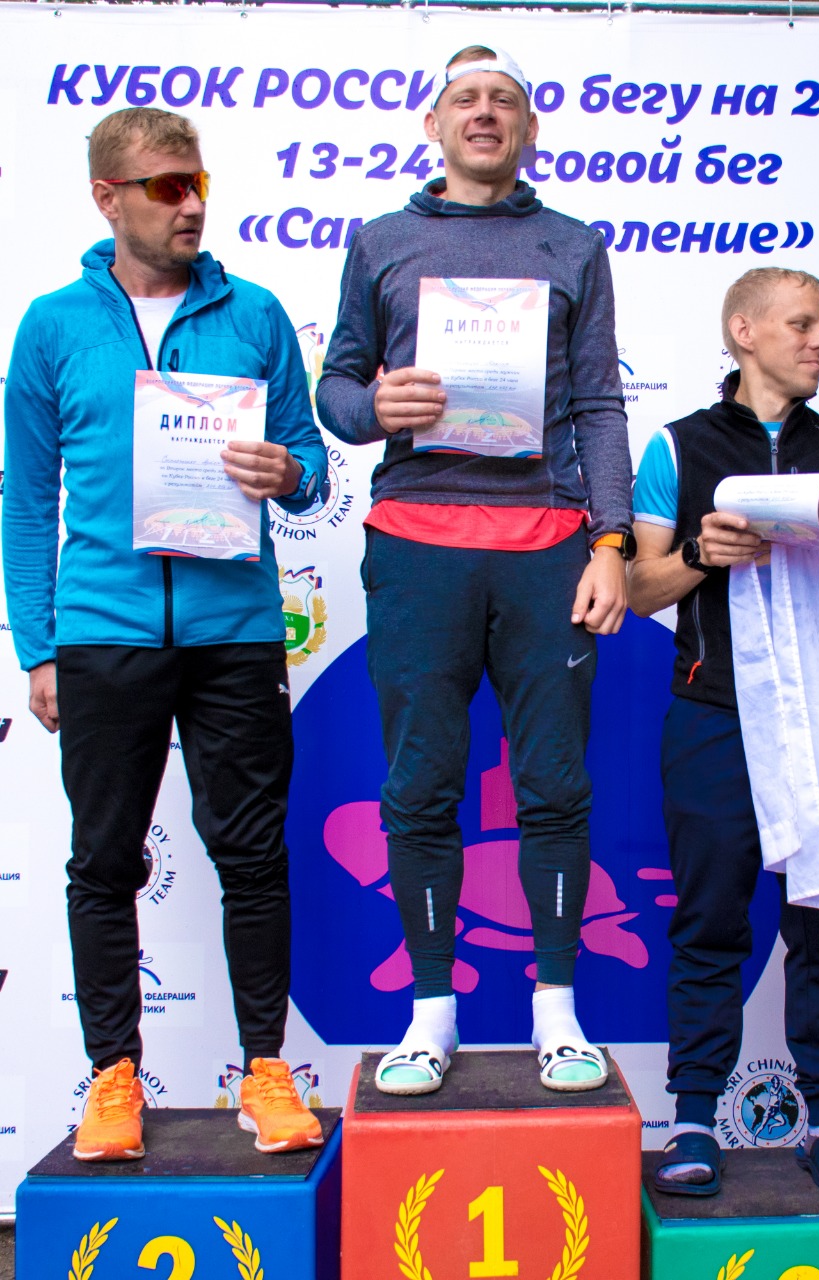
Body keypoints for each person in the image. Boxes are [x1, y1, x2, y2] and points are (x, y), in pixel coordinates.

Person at [2, 107, 328, 1160]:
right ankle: (113, 1078)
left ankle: (266, 1070)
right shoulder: (53, 325)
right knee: (104, 861)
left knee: (253, 855)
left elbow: (312, 466)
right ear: (109, 199)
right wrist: (39, 645)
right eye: (167, 187)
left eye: (199, 184)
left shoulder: (255, 313)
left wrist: (290, 471)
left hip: (235, 632)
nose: (191, 205)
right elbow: (25, 499)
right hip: (105, 633)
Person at [316, 44, 634, 1094]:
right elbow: (336, 391)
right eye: (465, 98)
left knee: (555, 786)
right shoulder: (382, 241)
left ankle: (559, 1015)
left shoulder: (573, 244)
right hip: (418, 546)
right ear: (435, 124)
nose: (484, 112)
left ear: (529, 129)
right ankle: (429, 1017)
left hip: (546, 548)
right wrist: (376, 406)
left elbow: (599, 404)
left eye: (504, 99)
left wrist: (611, 540)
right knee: (418, 788)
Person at [629, 267, 819, 1196]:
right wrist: (704, 553)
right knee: (709, 921)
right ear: (744, 332)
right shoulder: (679, 445)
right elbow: (638, 588)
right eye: (803, 324)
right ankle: (694, 1118)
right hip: (715, 715)